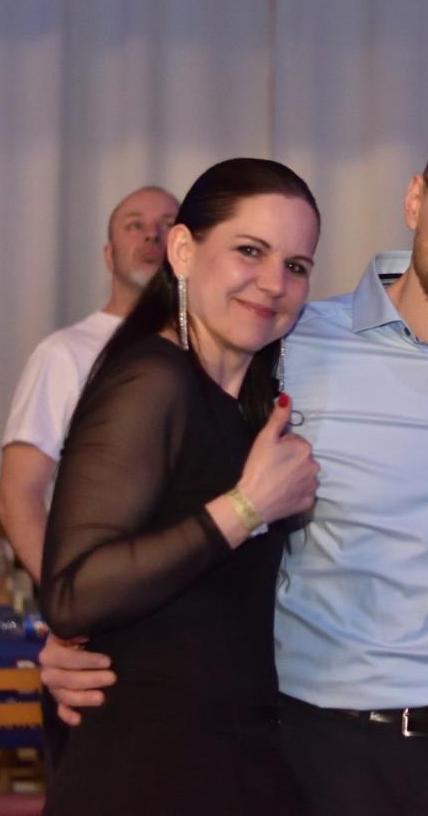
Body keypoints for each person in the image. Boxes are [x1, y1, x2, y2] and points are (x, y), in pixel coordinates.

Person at [40, 110, 428, 815]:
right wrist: (79, 638)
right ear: (416, 201)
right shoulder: (289, 346)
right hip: (325, 758)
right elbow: (168, 507)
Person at [39, 159, 321, 815]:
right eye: (249, 250)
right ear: (184, 251)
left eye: (296, 265)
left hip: (228, 756)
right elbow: (73, 592)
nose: (274, 282)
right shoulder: (153, 380)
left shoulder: (244, 399)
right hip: (143, 768)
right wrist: (248, 507)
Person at [0, 185, 179, 582]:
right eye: (135, 225)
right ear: (109, 256)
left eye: (168, 225)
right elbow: (18, 495)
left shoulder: (212, 353)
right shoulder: (64, 353)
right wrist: (67, 597)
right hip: (100, 591)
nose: (153, 235)